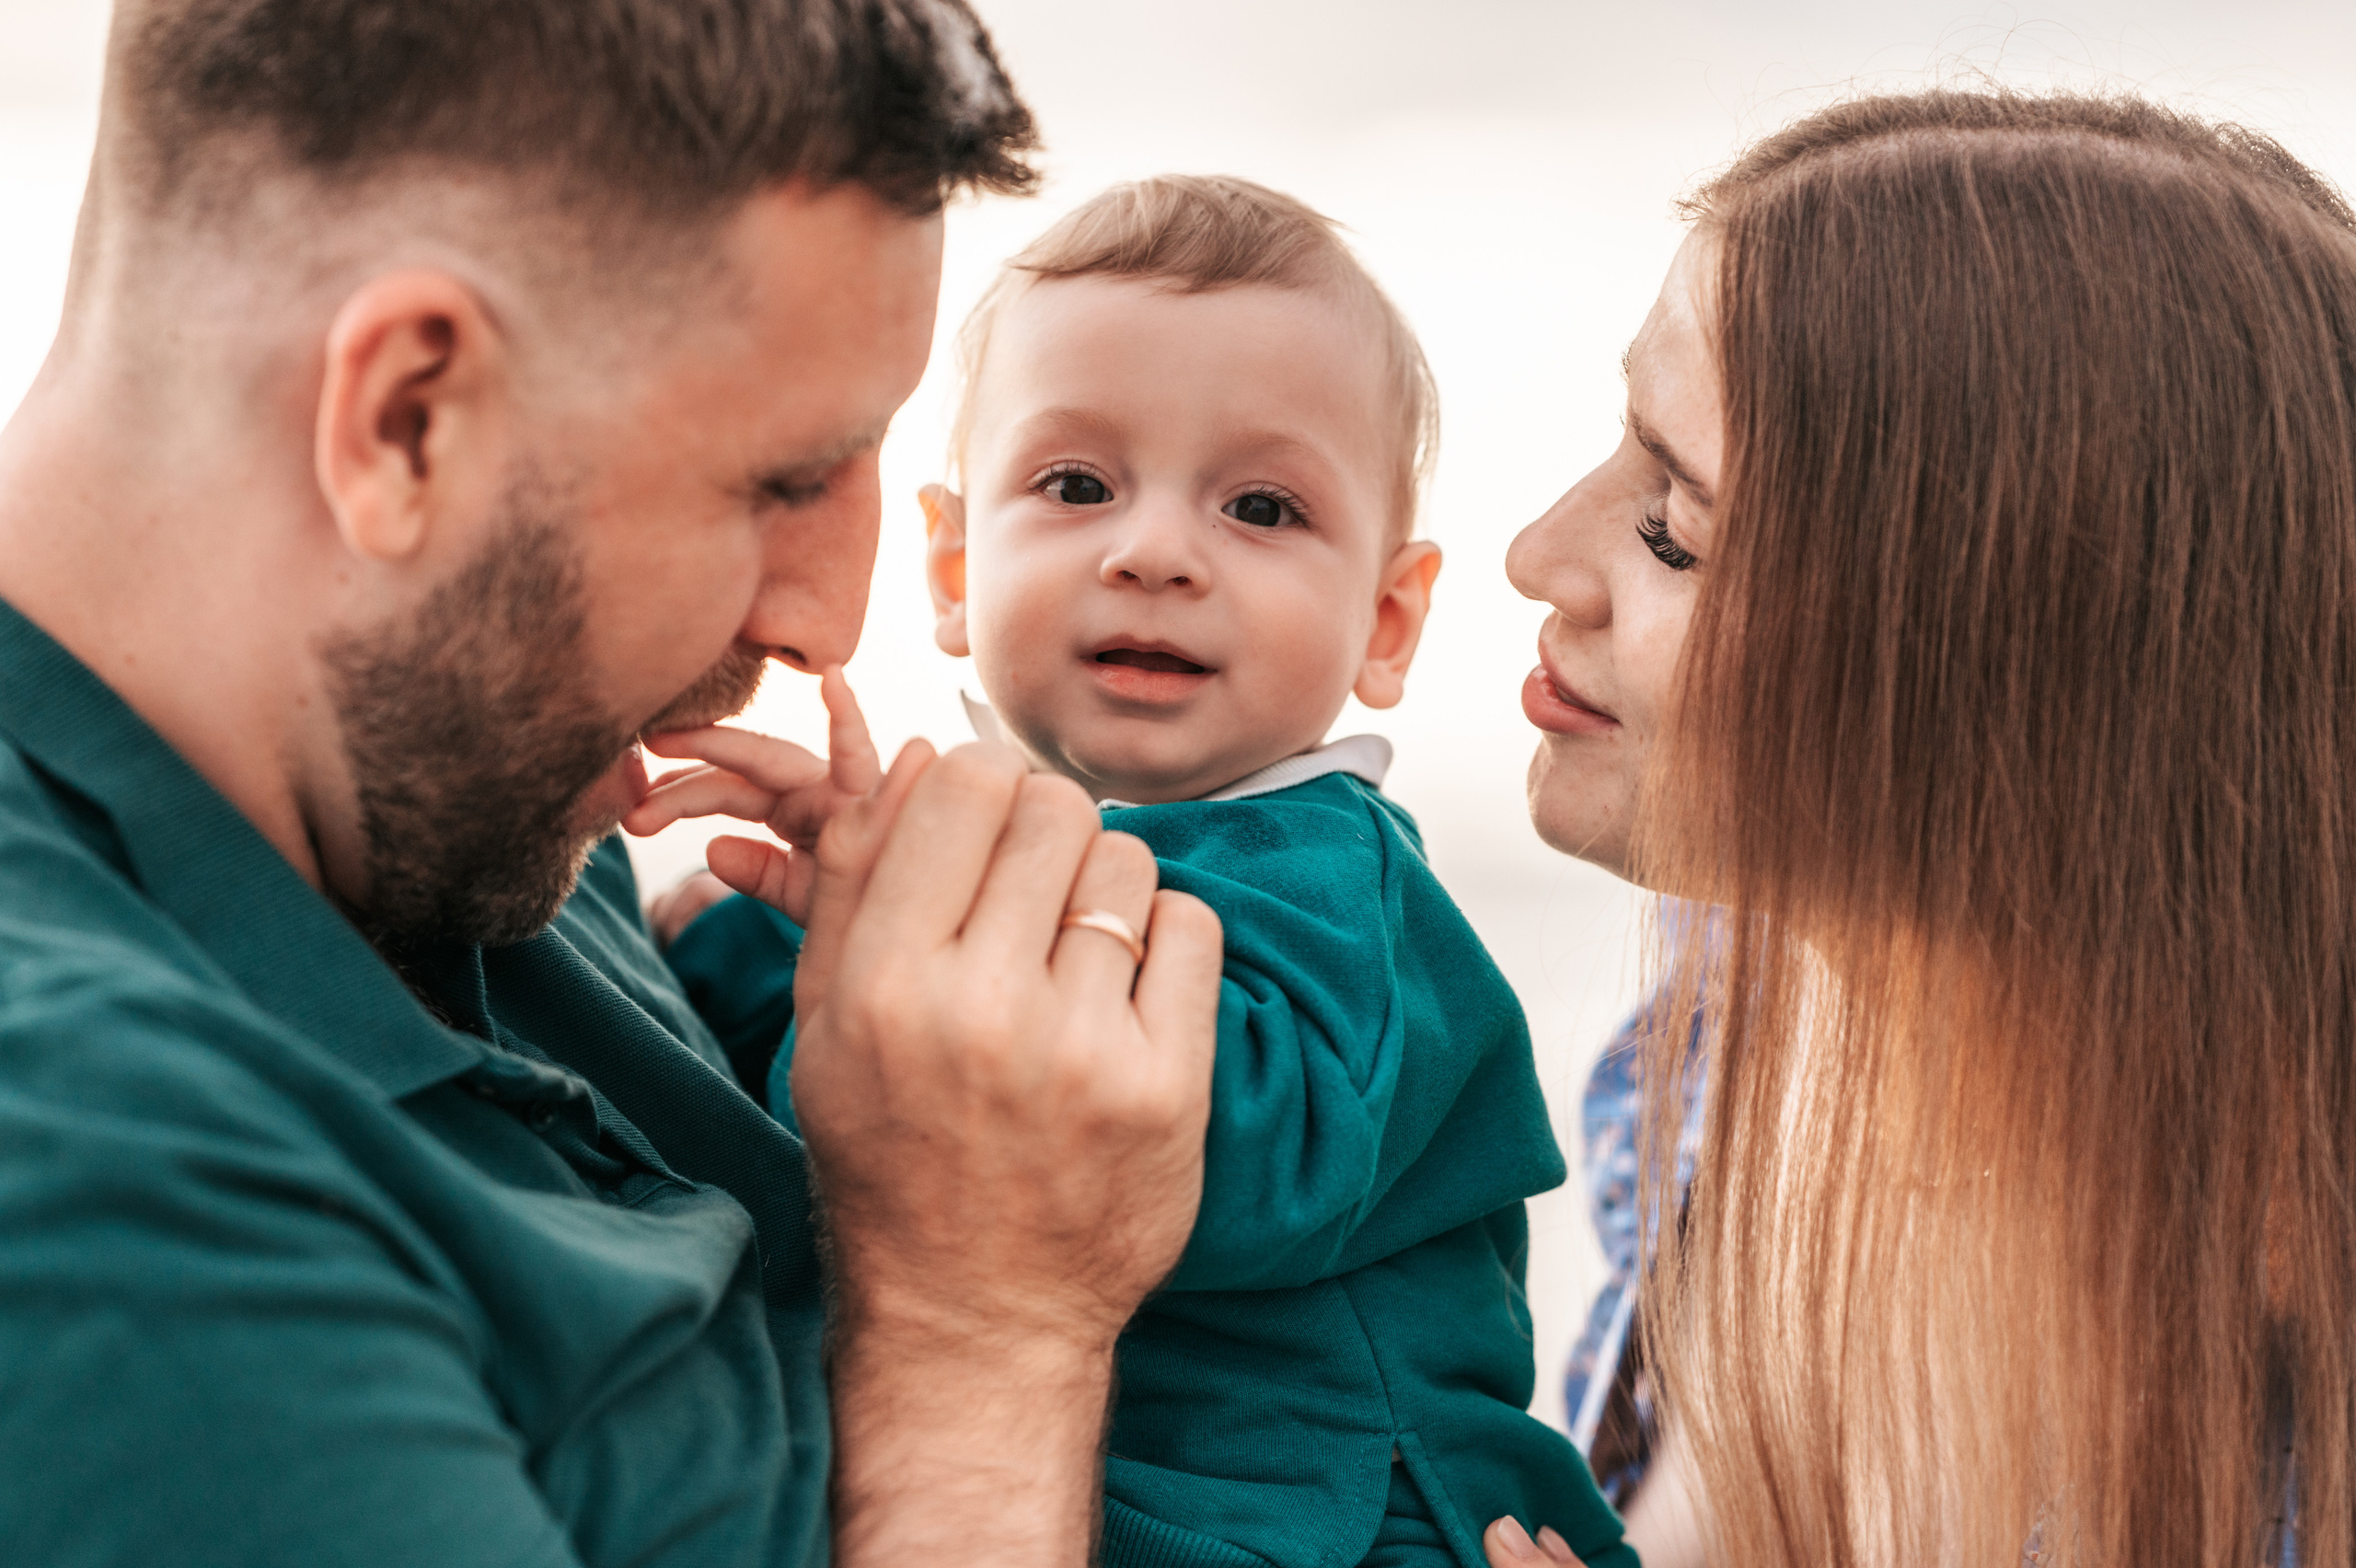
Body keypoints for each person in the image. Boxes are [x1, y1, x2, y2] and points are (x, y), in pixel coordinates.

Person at [0, 3, 1231, 1564]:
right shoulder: (96, 1205)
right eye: (780, 481)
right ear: (406, 420)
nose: (826, 621)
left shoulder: (471, 786)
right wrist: (987, 1332)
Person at [641, 176, 1634, 1568]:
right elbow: (805, 1089)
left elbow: (1208, 1161)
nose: (1155, 552)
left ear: (1387, 620)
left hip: (1344, 1518)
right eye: (1077, 486)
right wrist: (727, 943)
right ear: (950, 565)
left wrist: (907, 917)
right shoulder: (976, 820)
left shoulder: (1340, 888)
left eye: (1263, 508)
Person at [1484, 88, 2355, 1568]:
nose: (1536, 555)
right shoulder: (1698, 1076)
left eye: (1671, 529)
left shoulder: (2294, 1387)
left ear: (2007, 667)